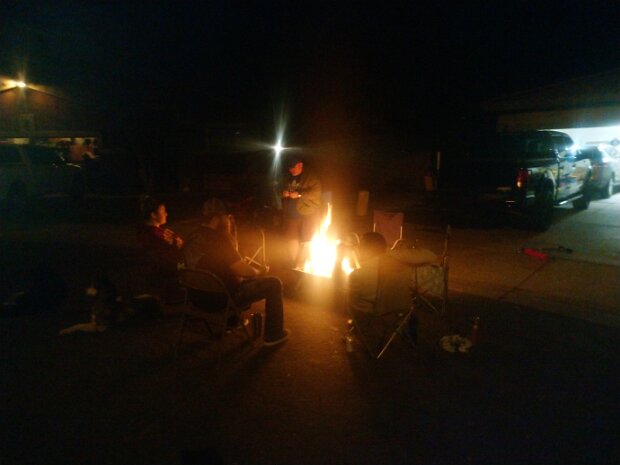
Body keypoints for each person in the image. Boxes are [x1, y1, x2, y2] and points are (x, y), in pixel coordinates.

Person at [184, 198, 288, 346]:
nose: (229, 220)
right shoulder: (219, 239)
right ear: (216, 219)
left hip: (195, 298)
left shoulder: (191, 236)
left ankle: (232, 322)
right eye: (226, 217)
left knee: (228, 277)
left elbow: (197, 265)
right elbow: (245, 272)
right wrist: (260, 271)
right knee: (274, 283)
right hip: (220, 301)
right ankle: (274, 335)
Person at [348, 232, 440, 316]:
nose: (357, 249)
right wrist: (394, 252)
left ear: (365, 250)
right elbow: (432, 257)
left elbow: (355, 304)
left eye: (359, 247)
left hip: (375, 315)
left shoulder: (357, 275)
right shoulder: (399, 260)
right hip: (401, 309)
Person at [137, 197, 185, 301]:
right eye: (163, 211)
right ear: (153, 215)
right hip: (169, 272)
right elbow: (168, 255)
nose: (166, 214)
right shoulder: (153, 235)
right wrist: (177, 246)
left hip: (166, 269)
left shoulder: (156, 230)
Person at [281, 156, 322, 267]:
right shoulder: (287, 177)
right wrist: (283, 193)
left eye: (293, 167)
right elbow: (280, 188)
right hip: (291, 213)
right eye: (289, 168)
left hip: (308, 213)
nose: (291, 170)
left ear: (300, 165)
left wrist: (299, 194)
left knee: (307, 239)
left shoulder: (310, 177)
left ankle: (309, 263)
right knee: (292, 238)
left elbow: (316, 193)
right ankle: (294, 263)